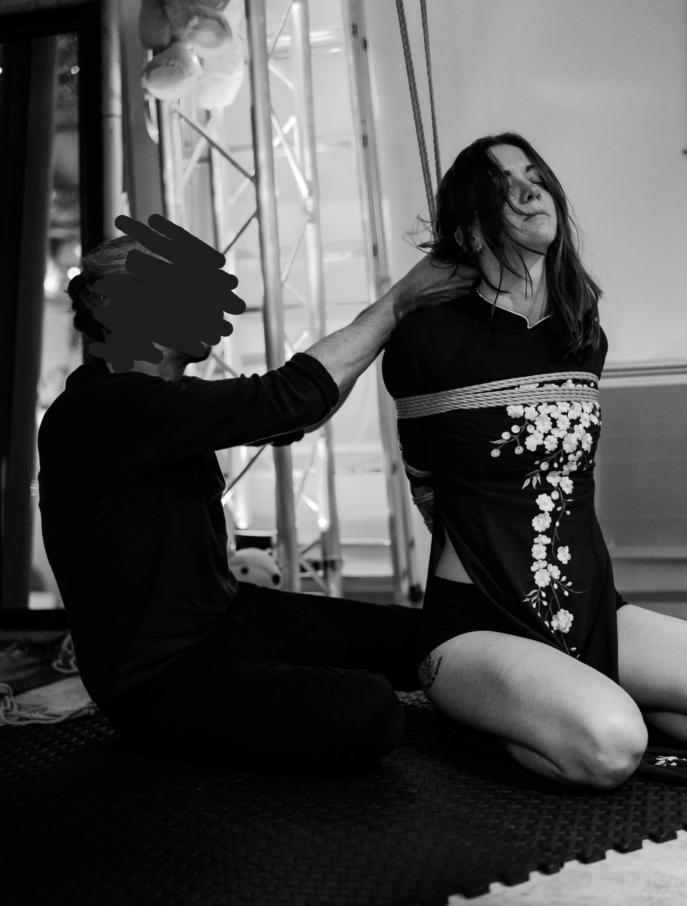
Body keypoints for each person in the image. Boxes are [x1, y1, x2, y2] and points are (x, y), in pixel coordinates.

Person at [37, 221, 474, 773]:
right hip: (155, 680)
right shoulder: (104, 410)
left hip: (225, 616)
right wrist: (399, 302)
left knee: (426, 638)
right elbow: (292, 398)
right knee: (370, 710)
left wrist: (400, 315)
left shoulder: (162, 400)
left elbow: (295, 416)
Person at [382, 131, 687, 790]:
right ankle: (511, 712)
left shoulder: (580, 332)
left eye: (533, 177)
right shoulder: (427, 339)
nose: (527, 192)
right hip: (478, 624)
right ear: (468, 231)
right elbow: (423, 480)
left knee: (620, 724)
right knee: (612, 746)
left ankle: (581, 696)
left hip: (594, 614)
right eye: (501, 187)